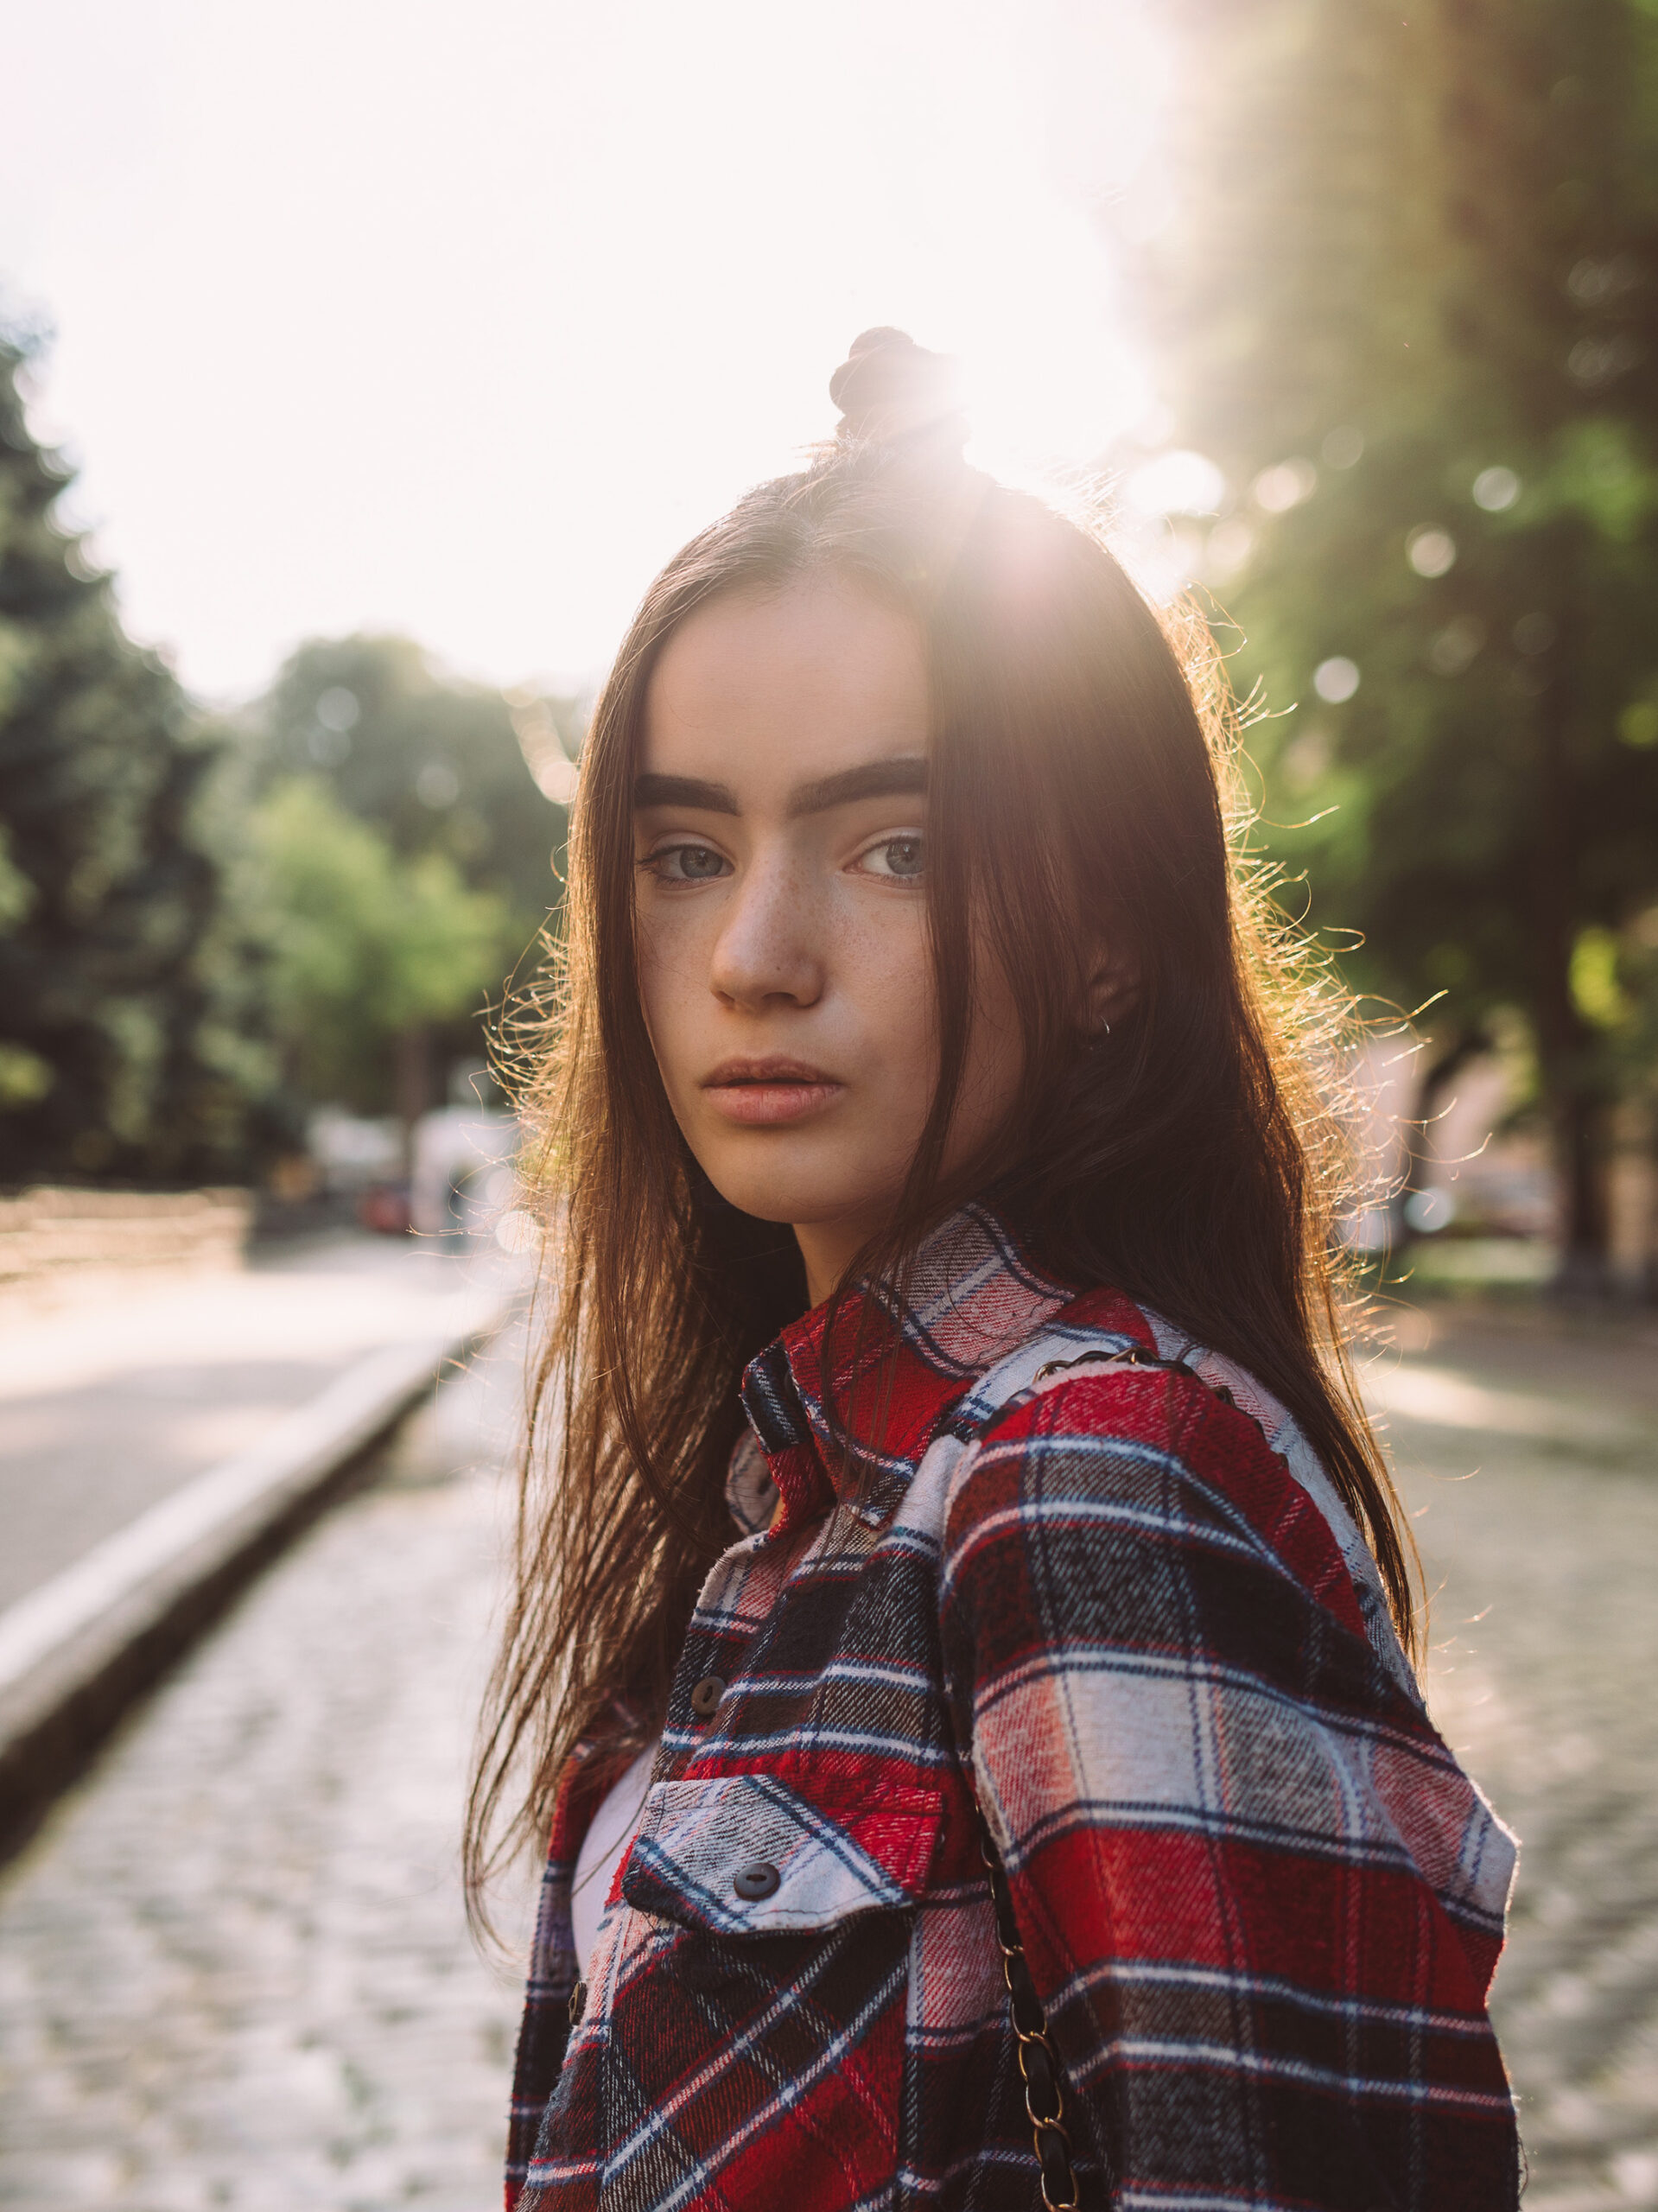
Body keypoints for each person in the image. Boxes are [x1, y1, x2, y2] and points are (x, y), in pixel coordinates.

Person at [471, 329, 1521, 2210]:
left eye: (892, 844)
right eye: (685, 850)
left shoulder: (1091, 1473)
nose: (753, 955)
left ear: (1110, 941)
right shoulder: (793, 1472)